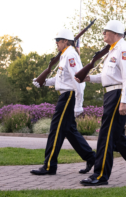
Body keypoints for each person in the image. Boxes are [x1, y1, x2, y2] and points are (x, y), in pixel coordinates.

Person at [77, 20, 126, 187]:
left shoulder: (123, 50)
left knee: (106, 136)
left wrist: (124, 101)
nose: (103, 34)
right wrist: (88, 78)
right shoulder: (112, 51)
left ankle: (100, 175)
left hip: (118, 95)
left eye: (105, 31)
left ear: (115, 33)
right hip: (111, 93)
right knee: (115, 137)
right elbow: (108, 77)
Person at [30, 29, 95, 175]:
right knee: (69, 131)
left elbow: (79, 80)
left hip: (69, 97)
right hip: (65, 96)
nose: (56, 43)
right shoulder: (65, 55)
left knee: (56, 131)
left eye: (58, 41)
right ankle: (92, 158)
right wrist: (43, 82)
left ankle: (49, 166)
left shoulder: (70, 54)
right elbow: (61, 79)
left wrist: (79, 103)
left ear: (65, 41)